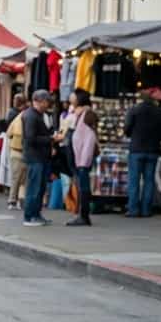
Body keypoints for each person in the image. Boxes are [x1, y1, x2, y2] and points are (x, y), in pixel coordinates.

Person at [124, 92, 161, 217]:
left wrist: (133, 135)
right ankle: (146, 210)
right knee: (149, 181)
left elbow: (127, 129)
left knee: (134, 180)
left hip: (136, 149)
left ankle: (133, 209)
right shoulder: (160, 113)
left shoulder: (134, 110)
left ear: (141, 100)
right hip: (153, 150)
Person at [21, 90, 54, 226]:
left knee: (40, 188)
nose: (47, 104)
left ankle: (36, 214)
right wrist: (50, 139)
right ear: (38, 101)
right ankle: (29, 216)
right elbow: (30, 138)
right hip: (35, 157)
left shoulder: (38, 115)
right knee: (34, 188)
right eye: (46, 101)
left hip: (40, 157)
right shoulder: (31, 116)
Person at [67, 89, 98, 227]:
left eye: (74, 94)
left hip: (82, 159)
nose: (71, 96)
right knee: (81, 186)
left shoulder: (88, 114)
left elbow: (89, 139)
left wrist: (83, 160)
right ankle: (82, 215)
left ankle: (84, 216)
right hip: (79, 157)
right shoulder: (80, 113)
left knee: (83, 187)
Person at [5, 94, 28, 210]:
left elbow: (9, 133)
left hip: (15, 151)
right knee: (25, 179)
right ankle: (20, 201)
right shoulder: (31, 118)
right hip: (27, 152)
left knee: (15, 178)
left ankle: (12, 201)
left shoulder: (16, 118)